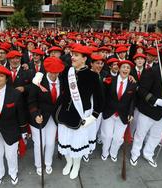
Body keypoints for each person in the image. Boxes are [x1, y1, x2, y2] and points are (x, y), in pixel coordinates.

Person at [54, 45, 104, 179]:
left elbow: (100, 100)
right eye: (73, 54)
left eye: (76, 55)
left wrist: (93, 118)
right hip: (65, 113)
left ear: (84, 59)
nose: (73, 57)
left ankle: (76, 165)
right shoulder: (67, 72)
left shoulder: (93, 76)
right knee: (65, 142)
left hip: (81, 115)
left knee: (77, 144)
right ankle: (68, 163)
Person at [28, 57, 64, 176]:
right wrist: (35, 114)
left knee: (50, 143)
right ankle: (38, 164)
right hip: (39, 118)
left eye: (57, 72)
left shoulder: (62, 81)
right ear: (47, 70)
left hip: (53, 118)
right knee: (39, 143)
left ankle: (48, 163)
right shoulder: (38, 81)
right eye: (52, 72)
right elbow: (31, 101)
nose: (54, 74)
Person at [101, 60, 137, 162]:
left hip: (123, 114)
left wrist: (131, 113)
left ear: (130, 71)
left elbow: (133, 100)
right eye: (123, 67)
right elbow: (104, 95)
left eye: (128, 68)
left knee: (117, 138)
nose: (125, 69)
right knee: (107, 136)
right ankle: (105, 151)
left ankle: (113, 152)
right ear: (119, 69)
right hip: (109, 113)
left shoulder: (133, 84)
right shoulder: (110, 80)